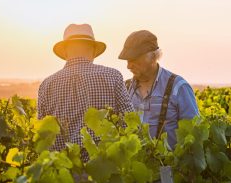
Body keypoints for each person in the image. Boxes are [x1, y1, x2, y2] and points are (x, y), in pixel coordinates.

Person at [38, 24, 134, 161]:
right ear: (93, 50)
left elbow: (43, 138)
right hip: (105, 169)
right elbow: (130, 123)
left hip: (63, 172)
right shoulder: (113, 76)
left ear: (65, 52)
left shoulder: (46, 85)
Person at [118, 30, 200, 150]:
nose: (128, 66)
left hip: (167, 168)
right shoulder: (125, 88)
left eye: (133, 59)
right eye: (127, 60)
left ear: (152, 57)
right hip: (133, 167)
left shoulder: (178, 87)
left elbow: (194, 132)